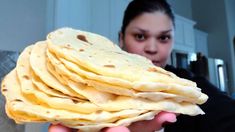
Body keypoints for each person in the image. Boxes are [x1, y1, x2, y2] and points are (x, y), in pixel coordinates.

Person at [49, 0, 235, 131]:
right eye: (140, 36)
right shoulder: (88, 86)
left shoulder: (189, 87)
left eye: (163, 37)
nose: (152, 48)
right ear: (121, 38)